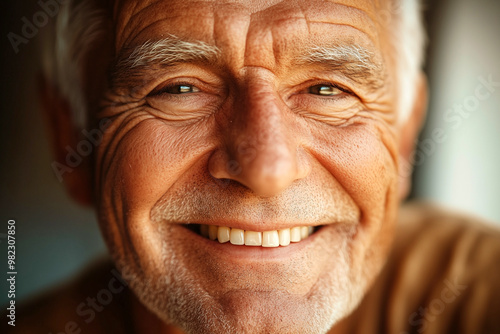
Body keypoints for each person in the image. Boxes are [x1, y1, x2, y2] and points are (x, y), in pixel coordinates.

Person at [4, 0, 500, 333]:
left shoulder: (472, 287)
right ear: (71, 139)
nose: (267, 170)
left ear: (407, 135)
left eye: (328, 89)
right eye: (179, 89)